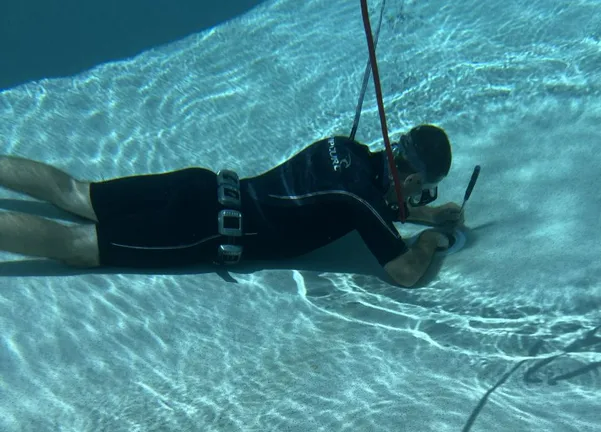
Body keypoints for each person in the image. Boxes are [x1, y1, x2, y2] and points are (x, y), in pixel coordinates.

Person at [0, 123, 463, 287]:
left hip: (202, 185)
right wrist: (428, 240)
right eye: (422, 191)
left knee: (76, 193)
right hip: (206, 227)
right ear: (413, 179)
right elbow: (404, 272)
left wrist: (418, 212)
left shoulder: (344, 148)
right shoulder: (360, 198)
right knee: (77, 246)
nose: (419, 197)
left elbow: (343, 197)